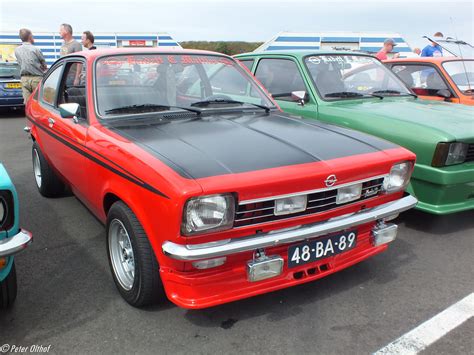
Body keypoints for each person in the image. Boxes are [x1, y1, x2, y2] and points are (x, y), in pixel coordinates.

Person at [14, 28, 47, 103]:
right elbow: (44, 65)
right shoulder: (36, 49)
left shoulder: (17, 50)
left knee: (28, 103)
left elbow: (20, 63)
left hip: (24, 79)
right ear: (30, 37)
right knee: (38, 102)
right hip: (36, 78)